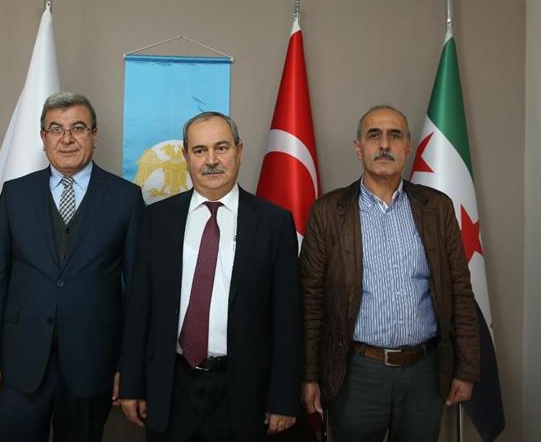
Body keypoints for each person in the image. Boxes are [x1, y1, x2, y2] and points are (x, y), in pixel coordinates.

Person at [300, 105, 480, 441]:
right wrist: (309, 375)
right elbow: (310, 300)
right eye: (374, 135)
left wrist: (467, 368)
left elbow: (460, 291)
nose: (384, 144)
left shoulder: (437, 208)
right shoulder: (329, 211)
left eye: (394, 136)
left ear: (408, 147)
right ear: (358, 147)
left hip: (425, 373)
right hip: (356, 373)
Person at [119, 112, 301, 441]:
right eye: (200, 150)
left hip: (243, 389)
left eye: (221, 148)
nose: (211, 160)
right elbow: (139, 308)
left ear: (239, 151)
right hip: (171, 385)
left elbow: (287, 318)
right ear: (186, 156)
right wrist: (132, 384)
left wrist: (284, 398)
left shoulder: (274, 224)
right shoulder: (157, 219)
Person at [0, 91, 144, 442]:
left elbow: (137, 292)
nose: (67, 139)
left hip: (92, 365)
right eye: (56, 129)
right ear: (43, 137)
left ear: (94, 135)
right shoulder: (15, 195)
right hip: (19, 365)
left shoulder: (126, 198)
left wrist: (127, 367)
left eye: (78, 128)